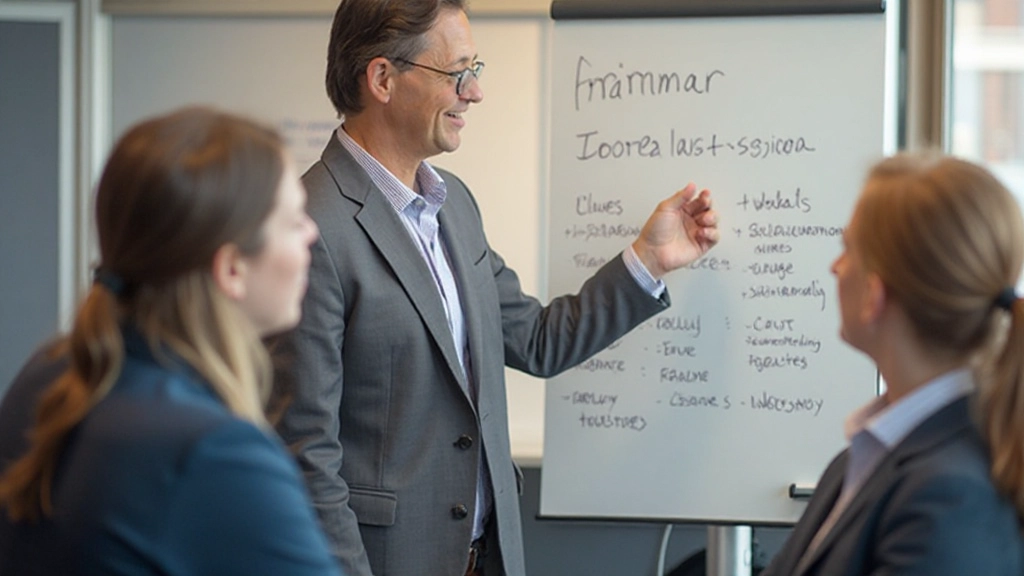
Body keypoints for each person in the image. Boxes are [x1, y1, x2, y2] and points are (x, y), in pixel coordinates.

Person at [267, 1, 720, 575]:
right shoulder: (311, 227)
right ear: (382, 78)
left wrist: (649, 259)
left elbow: (536, 339)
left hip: (488, 557)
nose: (475, 92)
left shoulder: (453, 205)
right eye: (458, 73)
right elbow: (306, 459)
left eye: (475, 70)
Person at [0, 107, 342, 576]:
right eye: (292, 219)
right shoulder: (215, 453)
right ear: (231, 269)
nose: (312, 232)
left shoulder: (50, 373)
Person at [761, 153, 1024, 576]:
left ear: (874, 295)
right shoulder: (862, 459)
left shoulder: (950, 499)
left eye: (847, 249)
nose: (834, 266)